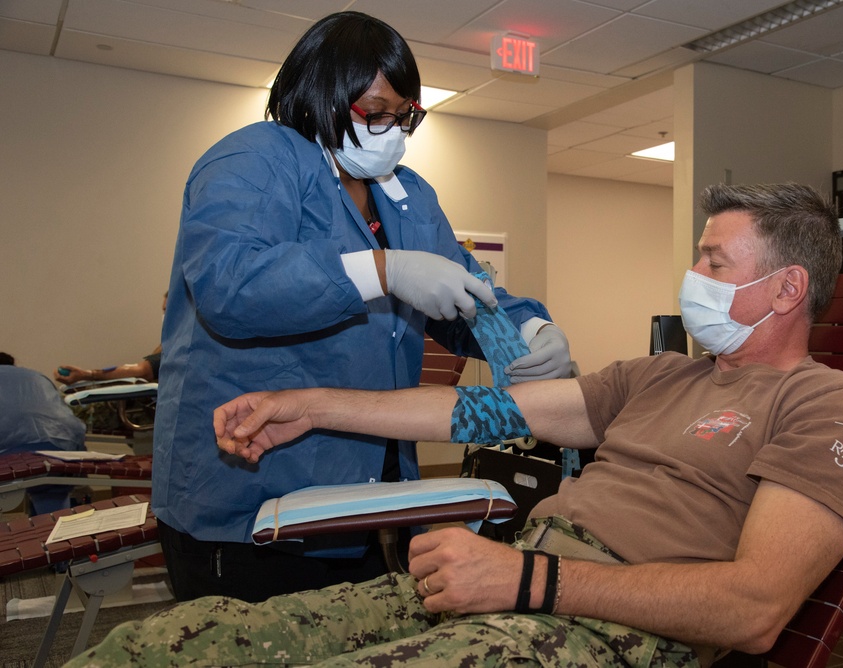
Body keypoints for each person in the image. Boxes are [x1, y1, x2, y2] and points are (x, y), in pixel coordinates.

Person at [71, 183, 843, 667]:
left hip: (608, 627)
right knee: (186, 639)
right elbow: (472, 407)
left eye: (715, 262)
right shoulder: (659, 378)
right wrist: (310, 407)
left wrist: (525, 582)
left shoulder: (828, 405)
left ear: (788, 290)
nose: (693, 277)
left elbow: (754, 609)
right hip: (516, 583)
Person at [152, 11, 572, 603]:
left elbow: (470, 291)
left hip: (370, 502)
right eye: (377, 113)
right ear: (320, 93)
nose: (394, 131)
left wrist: (530, 327)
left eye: (407, 117)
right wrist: (384, 270)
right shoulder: (254, 159)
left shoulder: (408, 194)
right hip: (251, 500)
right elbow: (231, 286)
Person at [0, 353, 87, 515]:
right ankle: (54, 529)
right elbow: (70, 424)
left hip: (8, 454)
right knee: (51, 498)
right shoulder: (36, 377)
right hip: (59, 450)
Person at [52, 292, 167, 385]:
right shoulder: (168, 345)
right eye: (163, 311)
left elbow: (143, 371)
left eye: (167, 310)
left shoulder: (180, 348)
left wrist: (86, 374)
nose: (165, 316)